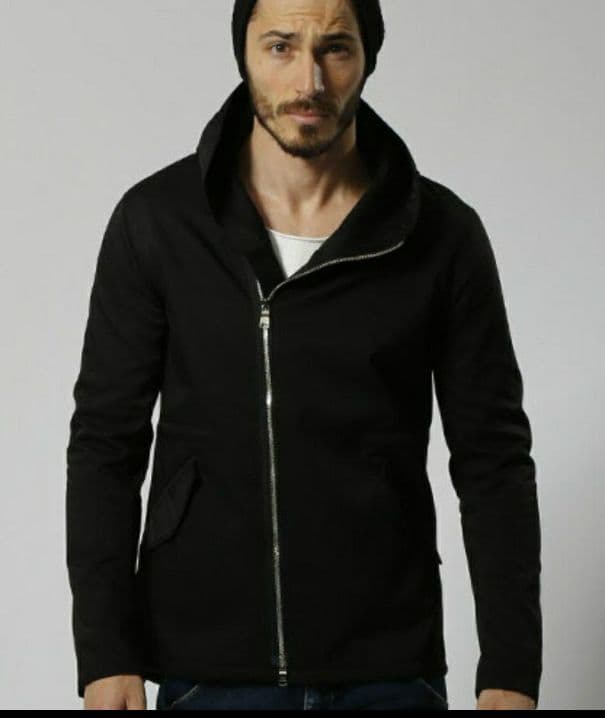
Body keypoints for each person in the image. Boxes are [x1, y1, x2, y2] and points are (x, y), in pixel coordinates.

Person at [65, 0, 542, 710]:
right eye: (281, 47)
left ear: (368, 58)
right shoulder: (159, 222)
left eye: (335, 49)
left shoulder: (441, 234)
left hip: (389, 670)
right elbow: (106, 442)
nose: (309, 81)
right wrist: (105, 653)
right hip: (207, 671)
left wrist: (510, 668)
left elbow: (492, 458)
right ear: (244, 52)